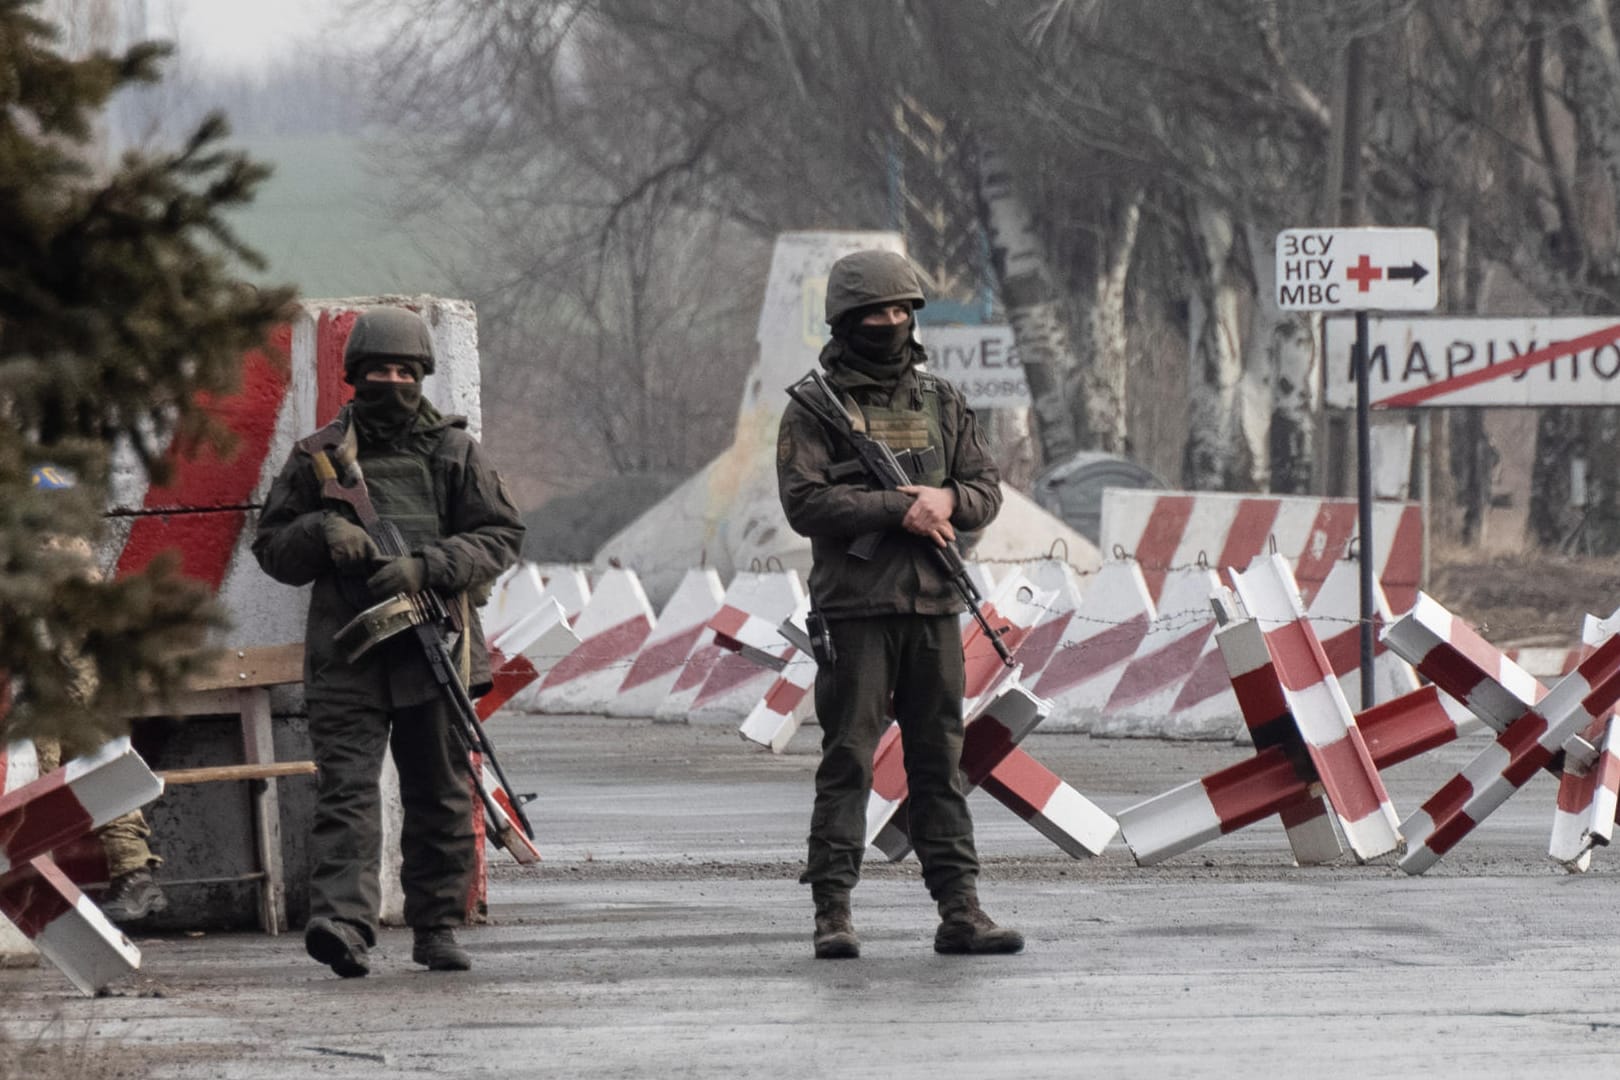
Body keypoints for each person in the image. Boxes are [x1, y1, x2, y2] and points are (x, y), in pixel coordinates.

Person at [253, 307, 523, 978]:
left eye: (406, 371)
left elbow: (501, 537)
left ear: (425, 376)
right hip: (350, 652)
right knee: (346, 792)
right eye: (379, 370)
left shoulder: (454, 451)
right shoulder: (320, 456)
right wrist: (322, 533)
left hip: (436, 642)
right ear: (355, 376)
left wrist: (426, 566)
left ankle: (435, 925)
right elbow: (273, 547)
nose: (393, 381)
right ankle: (343, 922)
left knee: (439, 791)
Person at [775, 250, 1024, 959]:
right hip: (855, 610)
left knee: (938, 764)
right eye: (875, 313)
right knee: (849, 758)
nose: (889, 323)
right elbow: (805, 502)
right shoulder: (816, 408)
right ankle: (832, 911)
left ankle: (960, 909)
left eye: (899, 311)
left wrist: (947, 501)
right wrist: (895, 509)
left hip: (933, 607)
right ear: (846, 321)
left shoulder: (941, 400)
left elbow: (984, 488)